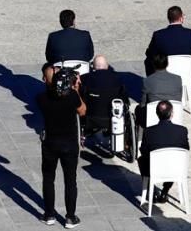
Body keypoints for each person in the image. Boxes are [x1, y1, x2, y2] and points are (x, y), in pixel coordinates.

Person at [37, 63, 86, 227]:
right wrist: (76, 89)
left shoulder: (42, 99)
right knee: (70, 180)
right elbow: (83, 111)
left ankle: (49, 214)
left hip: (50, 144)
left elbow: (49, 93)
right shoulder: (72, 96)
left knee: (48, 179)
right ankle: (70, 217)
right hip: (69, 145)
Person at [139, 100, 189, 205]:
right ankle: (165, 190)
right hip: (175, 170)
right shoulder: (182, 130)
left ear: (157, 114)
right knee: (175, 159)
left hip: (154, 169)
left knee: (141, 159)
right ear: (172, 114)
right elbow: (186, 149)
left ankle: (149, 189)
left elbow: (143, 150)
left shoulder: (149, 131)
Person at [78, 54, 126, 137]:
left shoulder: (85, 78)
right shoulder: (118, 78)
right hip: (113, 115)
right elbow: (124, 98)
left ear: (93, 67)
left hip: (90, 117)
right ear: (107, 66)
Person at [144, 6, 191, 75]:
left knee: (148, 61)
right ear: (181, 18)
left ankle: (153, 82)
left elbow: (151, 53)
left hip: (165, 69)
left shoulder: (159, 35)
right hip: (185, 70)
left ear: (168, 18)